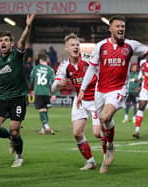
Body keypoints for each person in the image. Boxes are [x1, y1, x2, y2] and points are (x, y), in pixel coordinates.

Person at [76, 15, 148, 173]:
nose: (121, 29)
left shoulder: (131, 45)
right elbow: (91, 68)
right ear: (110, 28)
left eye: (123, 26)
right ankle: (105, 157)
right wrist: (83, 89)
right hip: (100, 90)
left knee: (105, 117)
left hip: (118, 89)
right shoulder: (101, 46)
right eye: (117, 26)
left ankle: (110, 147)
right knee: (101, 129)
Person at [0, 14, 35, 167]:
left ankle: (19, 156)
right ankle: (11, 138)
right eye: (1, 40)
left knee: (15, 130)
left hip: (18, 98)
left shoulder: (16, 55)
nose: (3, 42)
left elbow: (22, 42)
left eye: (6, 40)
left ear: (11, 44)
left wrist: (28, 27)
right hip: (3, 98)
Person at [51, 33, 100, 171]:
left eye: (78, 44)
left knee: (97, 133)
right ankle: (90, 162)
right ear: (66, 48)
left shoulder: (88, 59)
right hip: (80, 101)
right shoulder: (64, 66)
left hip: (96, 100)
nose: (76, 47)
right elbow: (53, 88)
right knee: (77, 133)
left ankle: (109, 145)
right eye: (72, 45)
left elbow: (103, 72)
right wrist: (58, 85)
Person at [30, 54, 56, 135]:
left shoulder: (36, 68)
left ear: (40, 60)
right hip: (47, 92)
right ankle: (43, 129)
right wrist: (53, 94)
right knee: (45, 110)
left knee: (41, 110)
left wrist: (31, 89)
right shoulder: (50, 70)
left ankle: (46, 126)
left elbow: (32, 79)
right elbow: (53, 83)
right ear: (46, 60)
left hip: (38, 91)